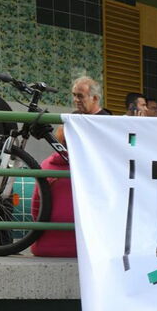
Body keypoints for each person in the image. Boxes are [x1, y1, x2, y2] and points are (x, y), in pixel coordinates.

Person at [32, 76, 109, 257]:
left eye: (80, 96)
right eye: (74, 95)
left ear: (95, 98)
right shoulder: (73, 118)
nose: (75, 100)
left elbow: (36, 209)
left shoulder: (106, 121)